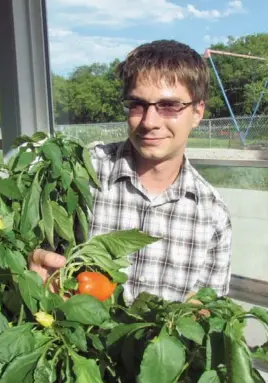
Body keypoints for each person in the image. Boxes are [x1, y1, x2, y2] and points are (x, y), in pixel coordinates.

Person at [30, 39, 232, 304]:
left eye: (169, 106)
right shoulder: (81, 173)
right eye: (137, 105)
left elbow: (206, 311)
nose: (149, 122)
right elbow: (32, 245)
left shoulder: (213, 216)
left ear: (197, 112)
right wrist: (31, 265)